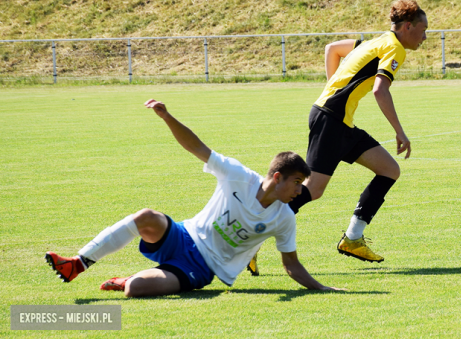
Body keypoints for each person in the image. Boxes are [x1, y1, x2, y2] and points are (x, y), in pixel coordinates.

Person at [45, 99, 341, 297]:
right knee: (146, 216)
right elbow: (197, 147)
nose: (301, 190)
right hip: (182, 235)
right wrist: (166, 116)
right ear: (277, 177)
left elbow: (291, 264)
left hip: (201, 268)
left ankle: (127, 278)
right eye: (297, 182)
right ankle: (77, 264)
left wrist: (322, 287)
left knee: (134, 289)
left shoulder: (284, 218)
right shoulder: (238, 175)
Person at [285, 0, 428, 263]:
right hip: (331, 120)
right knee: (313, 189)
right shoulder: (395, 49)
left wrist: (333, 88)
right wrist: (400, 131)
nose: (425, 37)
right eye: (423, 30)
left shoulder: (375, 42)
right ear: (408, 26)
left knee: (389, 170)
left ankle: (352, 238)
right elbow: (379, 89)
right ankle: (251, 235)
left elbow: (332, 49)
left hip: (340, 121)